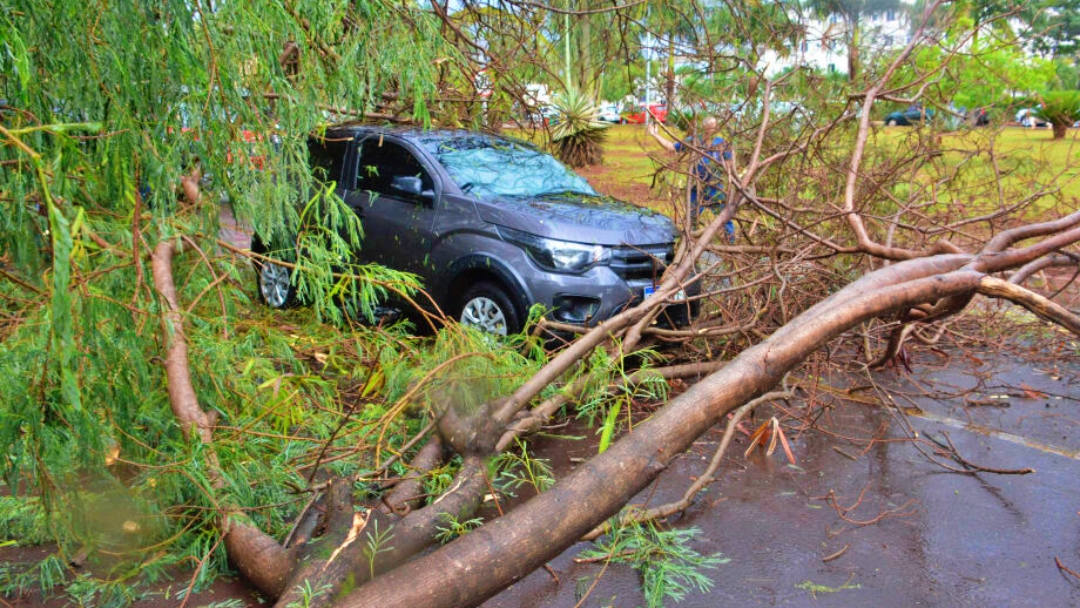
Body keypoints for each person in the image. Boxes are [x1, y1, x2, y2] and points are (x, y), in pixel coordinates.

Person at [648, 117, 735, 240]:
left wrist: (728, 180)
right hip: (696, 187)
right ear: (704, 128)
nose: (711, 130)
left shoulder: (721, 143)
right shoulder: (694, 141)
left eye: (713, 127)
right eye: (708, 127)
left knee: (724, 217)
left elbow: (729, 165)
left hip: (715, 187)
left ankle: (730, 242)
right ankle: (690, 243)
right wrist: (655, 134)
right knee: (691, 217)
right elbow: (671, 147)